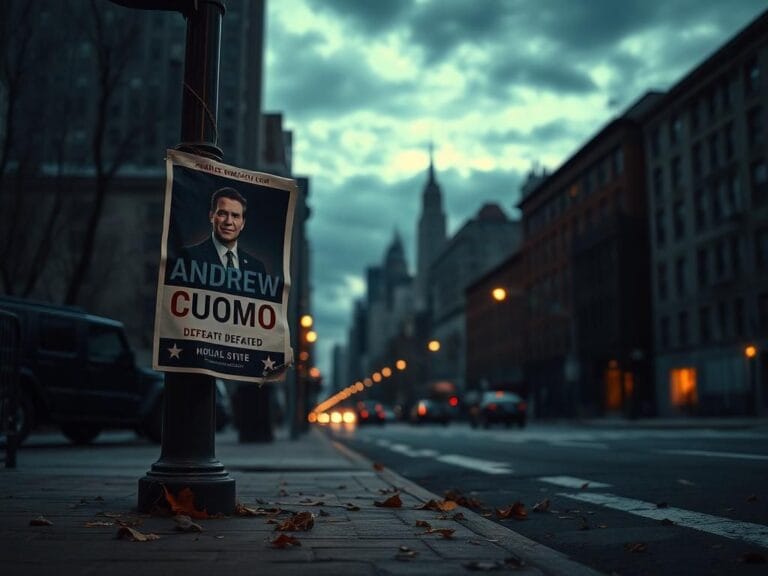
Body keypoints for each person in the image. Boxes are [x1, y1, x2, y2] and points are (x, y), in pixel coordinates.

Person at [183, 187, 266, 275]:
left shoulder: (257, 267)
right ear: (211, 216)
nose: (228, 222)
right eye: (222, 214)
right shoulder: (188, 256)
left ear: (243, 223)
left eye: (235, 216)